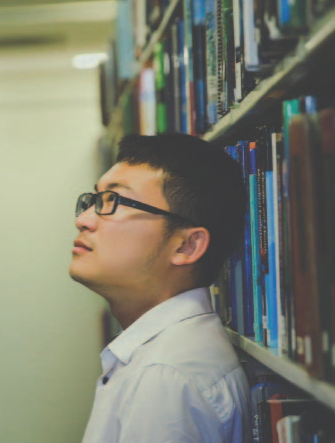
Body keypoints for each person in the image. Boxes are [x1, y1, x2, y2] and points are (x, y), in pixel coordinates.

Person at [70, 133, 249, 442]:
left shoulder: (165, 377)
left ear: (187, 245)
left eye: (113, 202)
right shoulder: (163, 358)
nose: (84, 220)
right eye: (95, 200)